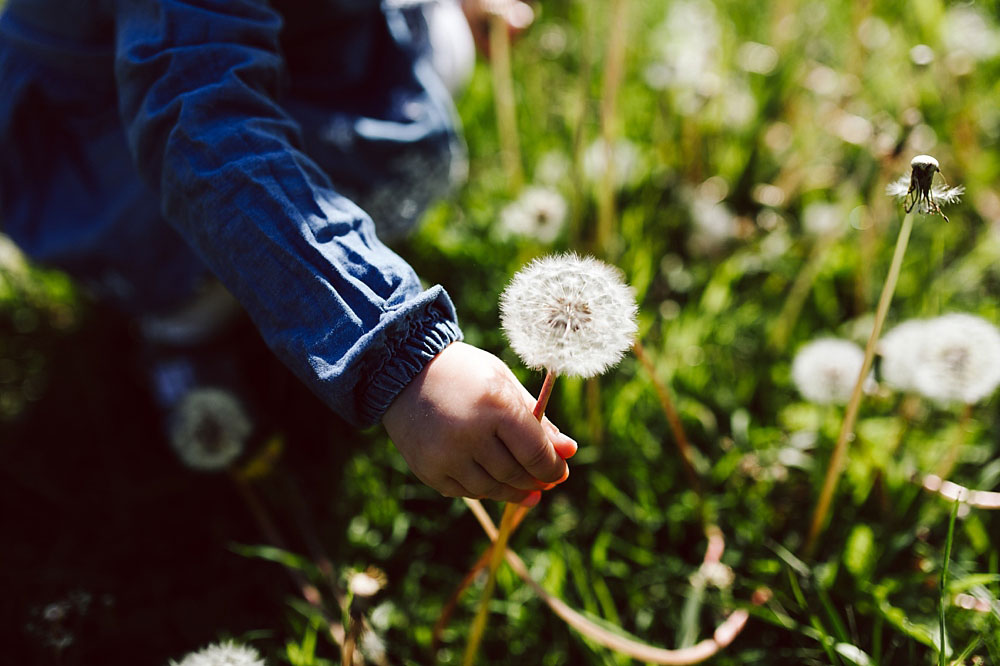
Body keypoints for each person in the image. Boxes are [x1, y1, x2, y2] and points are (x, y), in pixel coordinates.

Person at [0, 0, 575, 505]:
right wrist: (403, 358)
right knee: (212, 213)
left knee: (444, 37)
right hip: (125, 134)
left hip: (309, 46)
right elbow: (206, 139)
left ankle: (314, 251)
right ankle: (181, 331)